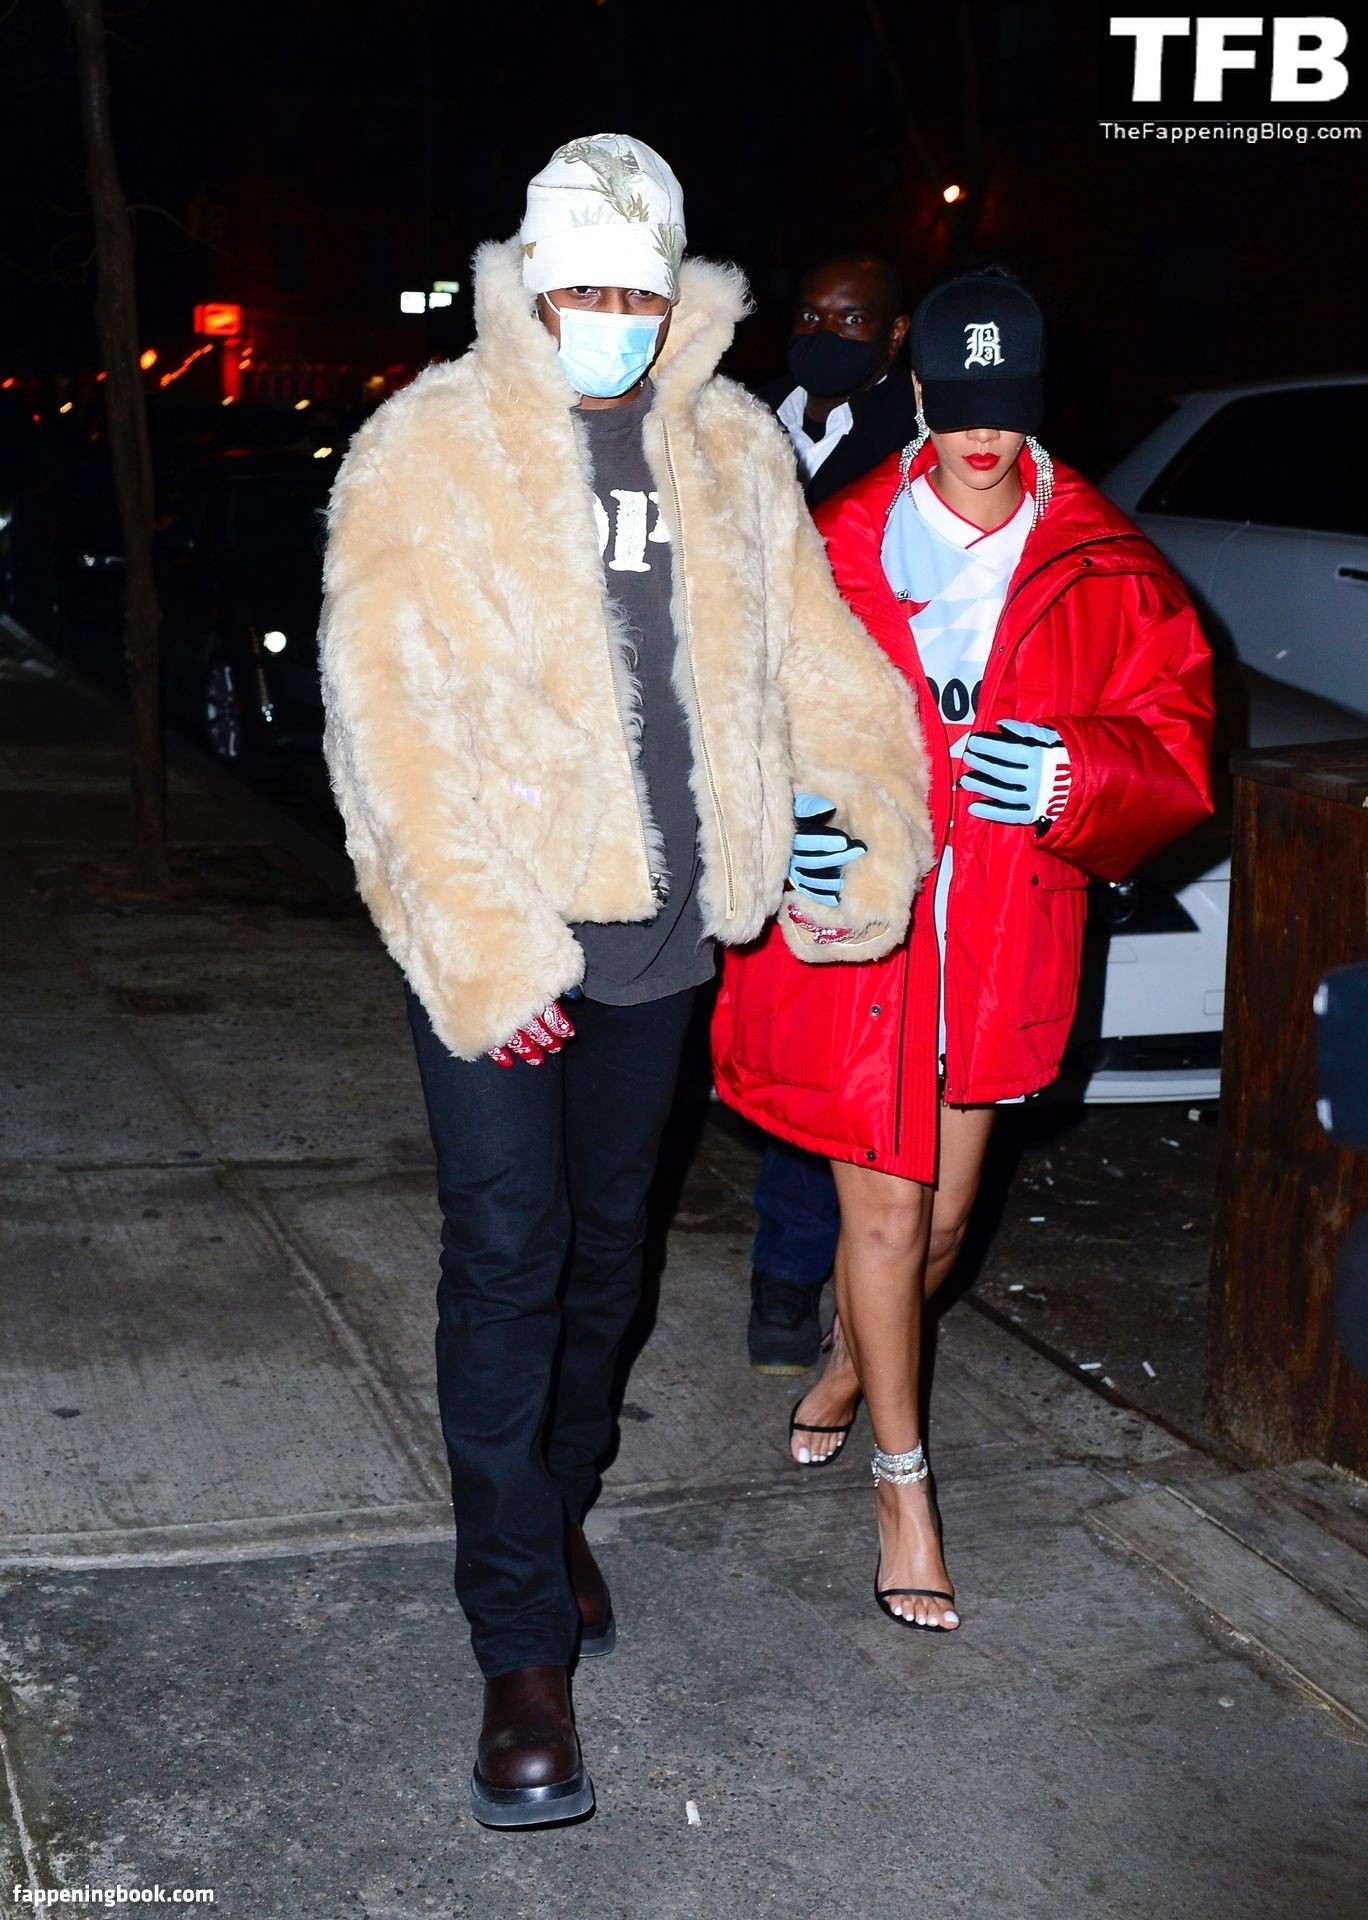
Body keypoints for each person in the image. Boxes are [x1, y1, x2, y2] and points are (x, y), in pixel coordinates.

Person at [319, 133, 930, 1828]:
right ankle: (518, 1645)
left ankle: (555, 1500)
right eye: (578, 288)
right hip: (502, 936)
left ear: (675, 299)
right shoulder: (429, 446)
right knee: (508, 1261)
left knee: (607, 1259)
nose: (608, 318)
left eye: (635, 294)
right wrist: (478, 950)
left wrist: (860, 821)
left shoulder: (730, 446)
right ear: (529, 284)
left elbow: (818, 668)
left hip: (662, 939)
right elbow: (384, 720)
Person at [713, 270, 1214, 1633]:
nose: (984, 437)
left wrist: (1073, 778)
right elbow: (741, 715)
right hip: (867, 926)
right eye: (961, 405)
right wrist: (788, 827)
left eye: (1011, 407)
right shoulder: (834, 543)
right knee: (883, 1217)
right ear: (920, 392)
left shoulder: (1102, 560)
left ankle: (843, 1370)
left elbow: (1173, 743)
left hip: (997, 931)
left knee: (939, 1227)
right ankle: (905, 1486)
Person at [747, 252, 921, 1374]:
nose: (824, 334)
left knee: (828, 1027)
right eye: (810, 315)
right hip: (734, 759)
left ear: (894, 334)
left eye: (851, 320)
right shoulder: (744, 423)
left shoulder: (916, 445)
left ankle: (786, 1277)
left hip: (845, 767)